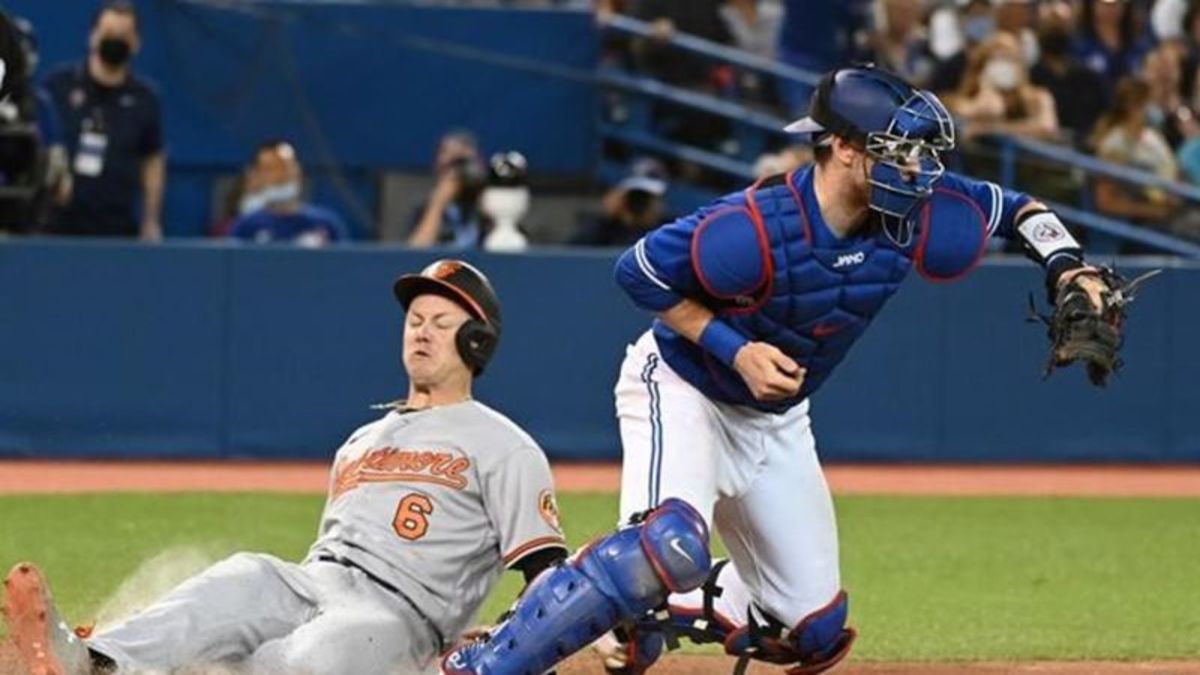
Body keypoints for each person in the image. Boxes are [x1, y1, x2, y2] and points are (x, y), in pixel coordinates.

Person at [439, 64, 1120, 675]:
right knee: (666, 544)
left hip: (775, 422)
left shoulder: (913, 209)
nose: (917, 168)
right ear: (845, 149)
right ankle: (488, 661)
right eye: (898, 151)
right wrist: (734, 347)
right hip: (686, 386)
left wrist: (1068, 263)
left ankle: (648, 616)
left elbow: (1019, 211)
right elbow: (637, 269)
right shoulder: (756, 227)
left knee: (814, 629)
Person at [2, 259, 575, 675]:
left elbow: (545, 573)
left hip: (400, 614)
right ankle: (95, 664)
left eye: (441, 323)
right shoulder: (360, 441)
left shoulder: (505, 445)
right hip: (310, 580)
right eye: (415, 319)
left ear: (476, 343)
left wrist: (515, 638)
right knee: (240, 579)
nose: (421, 330)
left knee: (302, 657)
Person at [42, 0, 164, 241]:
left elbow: (152, 160)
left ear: (136, 43)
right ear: (93, 36)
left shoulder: (145, 98)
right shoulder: (58, 86)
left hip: (116, 226)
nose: (115, 41)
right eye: (109, 33)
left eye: (123, 35)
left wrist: (151, 220)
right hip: (57, 224)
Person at [228, 139, 349, 246]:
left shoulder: (327, 224)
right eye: (271, 169)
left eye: (285, 167)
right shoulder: (246, 226)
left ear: (298, 171)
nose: (280, 176)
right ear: (258, 176)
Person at [948, 32, 1060, 141]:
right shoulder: (964, 101)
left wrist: (992, 129)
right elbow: (991, 110)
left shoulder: (1038, 97)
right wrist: (987, 87)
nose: (1004, 66)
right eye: (997, 60)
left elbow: (1046, 127)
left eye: (1009, 59)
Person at [409, 130, 491, 248]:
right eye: (452, 164)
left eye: (463, 164)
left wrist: (489, 205)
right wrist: (438, 204)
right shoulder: (423, 209)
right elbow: (413, 254)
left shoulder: (487, 205)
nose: (458, 172)